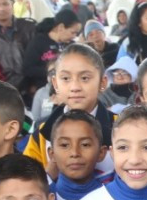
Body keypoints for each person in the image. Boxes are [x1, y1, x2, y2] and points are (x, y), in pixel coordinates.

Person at [24, 44, 115, 177]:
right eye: (66, 78)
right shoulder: (43, 135)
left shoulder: (120, 128)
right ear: (55, 84)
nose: (75, 87)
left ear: (102, 82)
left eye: (84, 78)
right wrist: (49, 176)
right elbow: (26, 182)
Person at [22, 10, 82, 96]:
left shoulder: (71, 45)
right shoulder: (38, 42)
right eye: (72, 32)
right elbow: (28, 69)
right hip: (44, 91)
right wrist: (52, 72)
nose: (74, 36)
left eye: (77, 34)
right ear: (61, 27)